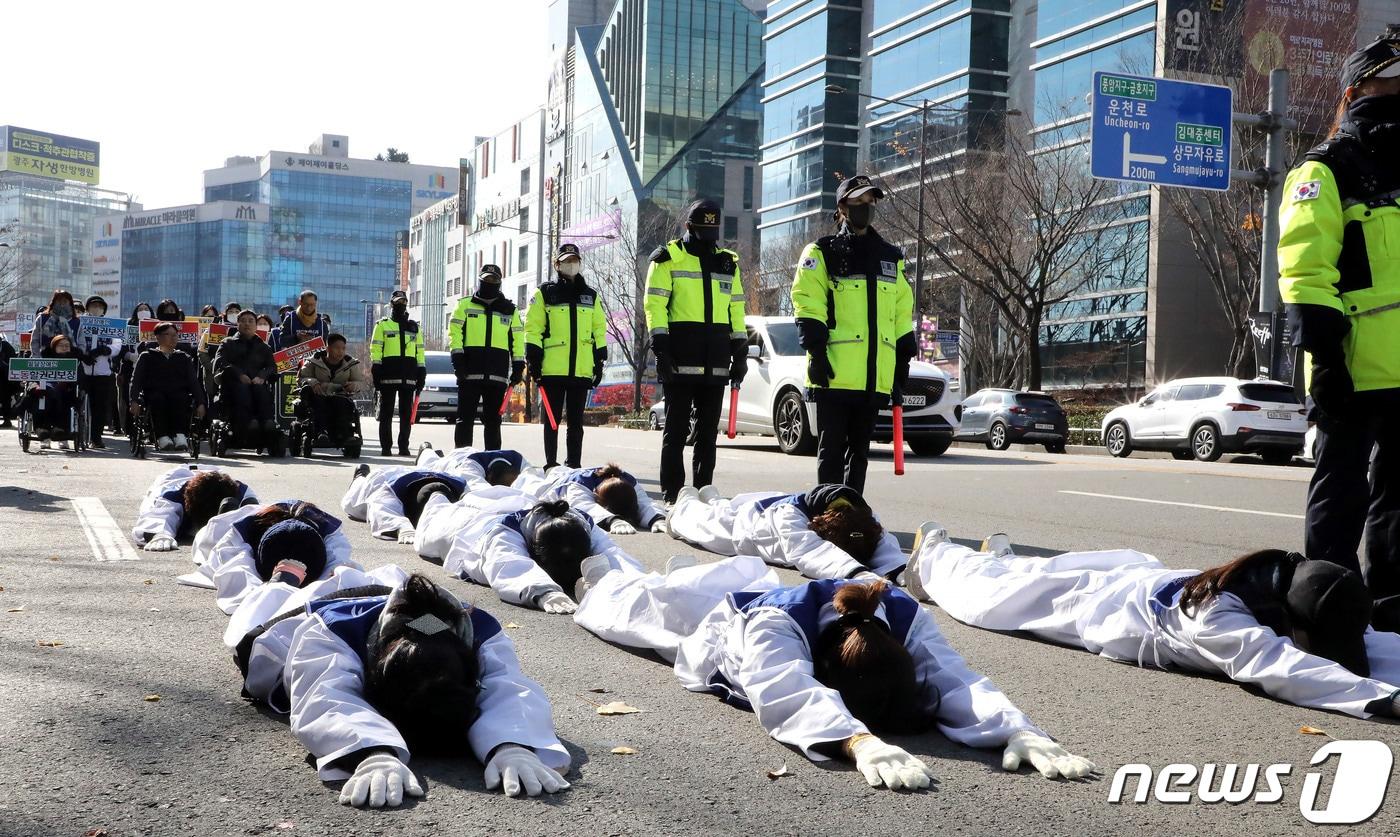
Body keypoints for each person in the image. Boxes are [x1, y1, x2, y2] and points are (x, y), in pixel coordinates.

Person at [575, 562, 1094, 789]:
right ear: (825, 670)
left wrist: (1016, 729)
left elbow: (954, 679)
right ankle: (600, 580)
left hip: (779, 603)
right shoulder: (773, 630)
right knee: (632, 618)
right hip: (719, 631)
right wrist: (858, 740)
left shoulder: (906, 621)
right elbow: (786, 688)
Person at [906, 526, 1400, 719]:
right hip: (1092, 606)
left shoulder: (1277, 583)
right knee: (979, 600)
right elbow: (1279, 668)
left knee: (1027, 571)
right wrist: (1380, 697)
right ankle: (935, 553)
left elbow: (1373, 642)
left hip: (1134, 573)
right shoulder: (1215, 617)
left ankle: (1001, 557)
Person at [229, 570, 571, 807]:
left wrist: (512, 744)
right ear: (372, 680)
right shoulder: (330, 632)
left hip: (381, 594)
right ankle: (285, 577)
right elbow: (324, 693)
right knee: (268, 595)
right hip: (293, 619)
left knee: (367, 574)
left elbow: (507, 684)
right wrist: (372, 752)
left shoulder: (479, 631)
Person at [1278, 34, 1400, 630]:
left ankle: (1392, 606)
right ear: (1355, 92)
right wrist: (1325, 359)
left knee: (1398, 502)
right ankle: (1326, 600)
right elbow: (1304, 270)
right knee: (1343, 490)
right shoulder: (1324, 169)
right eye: (1389, 82)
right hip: (1350, 365)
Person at [792, 174, 916, 493]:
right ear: (843, 207)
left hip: (874, 376)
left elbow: (902, 314)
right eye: (858, 202)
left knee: (859, 454)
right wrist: (816, 355)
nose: (866, 207)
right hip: (834, 372)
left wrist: (903, 362)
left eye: (870, 202)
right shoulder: (822, 252)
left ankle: (851, 510)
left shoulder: (891, 257)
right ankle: (828, 511)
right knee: (831, 450)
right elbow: (808, 304)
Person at [646, 199, 748, 504]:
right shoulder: (668, 258)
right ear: (689, 226)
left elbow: (737, 310)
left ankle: (704, 492)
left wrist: (740, 352)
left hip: (716, 361)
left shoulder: (728, 262)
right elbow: (654, 307)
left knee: (707, 435)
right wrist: (661, 351)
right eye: (703, 228)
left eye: (713, 229)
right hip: (679, 359)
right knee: (675, 433)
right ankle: (673, 496)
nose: (709, 234)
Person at [666, 483, 905, 580]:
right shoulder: (789, 519)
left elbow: (884, 540)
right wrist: (858, 573)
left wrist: (899, 571)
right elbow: (810, 551)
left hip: (769, 503)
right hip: (747, 525)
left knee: (721, 508)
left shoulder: (862, 515)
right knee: (702, 524)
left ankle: (713, 498)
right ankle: (686, 504)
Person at [444, 498, 641, 614]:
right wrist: (543, 591)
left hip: (514, 501)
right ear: (534, 551)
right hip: (472, 523)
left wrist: (637, 584)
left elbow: (613, 554)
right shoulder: (505, 532)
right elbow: (506, 561)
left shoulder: (583, 526)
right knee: (436, 508)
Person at [181, 501, 357, 615]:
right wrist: (275, 586)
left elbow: (338, 574)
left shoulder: (332, 538)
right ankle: (228, 509)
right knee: (207, 538)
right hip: (249, 515)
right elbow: (236, 575)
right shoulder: (240, 535)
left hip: (297, 518)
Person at [524, 243, 607, 468]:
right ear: (557, 264)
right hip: (552, 369)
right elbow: (533, 328)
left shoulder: (590, 296)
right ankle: (551, 463)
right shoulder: (545, 293)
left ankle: (573, 465)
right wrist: (532, 359)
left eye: (575, 261)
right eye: (566, 261)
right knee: (551, 421)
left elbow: (599, 328)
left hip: (580, 369)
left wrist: (599, 360)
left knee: (576, 423)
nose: (571, 265)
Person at [449, 264, 525, 450]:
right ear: (480, 280)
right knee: (464, 420)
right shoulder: (464, 305)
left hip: (497, 375)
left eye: (494, 280)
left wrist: (518, 367)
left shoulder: (509, 310)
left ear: (499, 282)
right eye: (487, 279)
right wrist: (458, 361)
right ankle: (461, 460)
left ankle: (492, 460)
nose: (490, 283)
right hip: (469, 373)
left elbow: (517, 340)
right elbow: (455, 334)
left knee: (493, 422)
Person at [132, 467, 252, 551]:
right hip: (173, 477)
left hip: (212, 471)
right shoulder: (170, 496)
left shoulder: (240, 492)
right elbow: (157, 515)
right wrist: (160, 535)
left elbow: (257, 511)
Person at [130, 321, 206, 451]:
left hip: (178, 393)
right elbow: (136, 380)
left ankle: (180, 435)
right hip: (154, 393)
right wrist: (134, 400)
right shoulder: (147, 356)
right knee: (158, 400)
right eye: (168, 334)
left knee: (181, 399)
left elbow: (193, 382)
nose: (173, 338)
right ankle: (162, 436)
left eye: (175, 335)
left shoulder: (184, 358)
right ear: (158, 337)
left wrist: (201, 402)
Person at [535, 463, 667, 535]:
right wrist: (611, 520)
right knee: (532, 476)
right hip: (556, 477)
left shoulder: (629, 482)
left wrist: (656, 518)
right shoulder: (578, 485)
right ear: (598, 500)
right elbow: (582, 505)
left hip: (587, 471)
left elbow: (645, 502)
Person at [370, 290, 425, 456]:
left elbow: (420, 351)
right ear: (391, 304)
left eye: (403, 302)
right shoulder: (382, 325)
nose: (401, 305)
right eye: (397, 302)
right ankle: (386, 447)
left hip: (408, 376)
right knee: (386, 414)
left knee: (406, 414)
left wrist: (421, 369)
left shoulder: (414, 327)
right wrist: (376, 369)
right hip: (388, 375)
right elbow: (375, 348)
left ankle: (403, 446)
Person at [213, 310, 277, 444]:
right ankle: (247, 422)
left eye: (250, 321)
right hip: (233, 386)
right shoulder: (227, 343)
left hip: (257, 384)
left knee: (260, 390)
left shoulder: (264, 347)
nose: (247, 324)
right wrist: (239, 374)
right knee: (242, 389)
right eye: (243, 320)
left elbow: (272, 367)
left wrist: (262, 376)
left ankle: (267, 423)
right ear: (237, 324)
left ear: (256, 325)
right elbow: (220, 363)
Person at [359, 467, 467, 543]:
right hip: (384, 475)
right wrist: (402, 526)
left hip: (428, 469)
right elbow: (380, 509)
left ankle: (425, 450)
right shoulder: (389, 492)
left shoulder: (463, 489)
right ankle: (360, 475)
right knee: (355, 505)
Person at [298, 333, 367, 445]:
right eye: (337, 348)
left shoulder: (351, 363)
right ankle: (321, 433)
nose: (340, 351)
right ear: (327, 348)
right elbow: (301, 378)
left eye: (343, 348)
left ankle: (345, 435)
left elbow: (359, 381)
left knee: (343, 405)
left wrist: (354, 385)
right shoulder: (313, 361)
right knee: (319, 404)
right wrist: (313, 382)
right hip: (318, 395)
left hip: (340, 395)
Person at [22, 334, 85, 450]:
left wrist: (68, 384)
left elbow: (80, 380)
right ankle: (42, 431)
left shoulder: (75, 362)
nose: (65, 348)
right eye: (61, 345)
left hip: (66, 393)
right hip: (43, 391)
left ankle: (61, 432)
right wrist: (35, 387)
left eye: (67, 345)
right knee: (41, 396)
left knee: (64, 396)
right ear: (54, 347)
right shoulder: (42, 360)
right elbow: (31, 378)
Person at [76, 294, 120, 449]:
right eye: (93, 306)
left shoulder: (111, 324)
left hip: (103, 372)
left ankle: (96, 437)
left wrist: (106, 349)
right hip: (84, 370)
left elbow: (118, 343)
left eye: (100, 306)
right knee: (79, 402)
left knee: (100, 407)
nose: (97, 309)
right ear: (87, 308)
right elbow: (76, 340)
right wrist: (84, 354)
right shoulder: (81, 323)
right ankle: (78, 432)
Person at [116, 302, 154, 433]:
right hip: (129, 368)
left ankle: (148, 428)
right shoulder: (128, 328)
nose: (143, 311)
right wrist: (129, 355)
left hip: (150, 369)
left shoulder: (156, 327)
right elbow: (121, 349)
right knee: (129, 398)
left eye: (146, 309)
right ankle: (130, 428)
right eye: (141, 309)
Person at [1, 331, 18, 428]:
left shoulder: (6, 346)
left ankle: (7, 420)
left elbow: (13, 363)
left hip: (5, 378)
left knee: (5, 399)